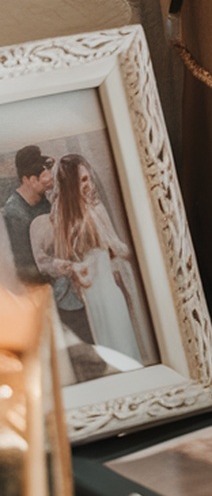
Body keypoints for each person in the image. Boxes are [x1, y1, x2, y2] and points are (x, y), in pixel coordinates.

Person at [31, 154, 156, 366]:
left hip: (111, 287)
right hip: (92, 293)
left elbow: (118, 248)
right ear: (70, 185)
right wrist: (74, 267)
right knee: (108, 344)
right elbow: (55, 260)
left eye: (88, 178)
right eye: (82, 180)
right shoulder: (60, 220)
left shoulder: (96, 209)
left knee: (124, 339)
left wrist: (120, 249)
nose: (88, 185)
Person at [2, 144, 91, 343]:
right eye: (39, 177)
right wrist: (56, 267)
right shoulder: (14, 214)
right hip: (46, 298)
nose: (47, 180)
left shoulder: (43, 201)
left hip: (68, 286)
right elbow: (24, 268)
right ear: (27, 180)